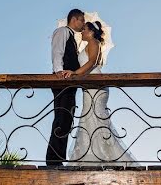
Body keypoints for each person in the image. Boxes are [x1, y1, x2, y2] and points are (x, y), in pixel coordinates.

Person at [67, 21, 137, 166]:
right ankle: (90, 155)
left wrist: (75, 73)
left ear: (92, 32)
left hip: (95, 85)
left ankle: (101, 156)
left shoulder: (94, 42)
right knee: (89, 118)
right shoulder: (88, 44)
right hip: (89, 85)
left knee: (95, 118)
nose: (82, 32)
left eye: (84, 29)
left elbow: (92, 62)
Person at [46, 8, 85, 166]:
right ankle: (53, 160)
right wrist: (59, 73)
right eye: (82, 20)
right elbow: (57, 51)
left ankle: (58, 158)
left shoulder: (73, 38)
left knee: (67, 119)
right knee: (61, 119)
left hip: (70, 84)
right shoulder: (63, 31)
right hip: (63, 82)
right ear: (74, 19)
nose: (83, 24)